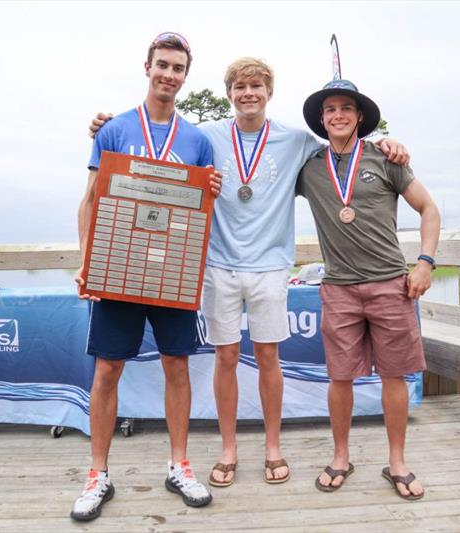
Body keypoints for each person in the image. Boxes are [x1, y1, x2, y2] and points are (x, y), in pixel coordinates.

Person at [89, 58, 410, 488]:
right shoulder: (206, 137)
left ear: (269, 92)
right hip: (218, 264)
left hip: (271, 266)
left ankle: (272, 447)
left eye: (256, 86)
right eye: (240, 87)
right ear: (229, 94)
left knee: (268, 357)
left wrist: (388, 141)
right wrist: (105, 126)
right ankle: (228, 448)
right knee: (223, 357)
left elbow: (344, 143)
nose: (248, 94)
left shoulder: (297, 141)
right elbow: (161, 146)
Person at [71, 32, 222, 522]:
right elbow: (91, 200)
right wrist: (86, 260)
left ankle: (179, 465)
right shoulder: (113, 129)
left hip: (172, 274)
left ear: (184, 76)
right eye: (163, 65)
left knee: (177, 366)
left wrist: (212, 190)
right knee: (107, 370)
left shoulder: (197, 140)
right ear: (147, 67)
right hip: (119, 269)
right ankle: (98, 474)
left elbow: (201, 211)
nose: (169, 75)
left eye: (178, 68)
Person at [296, 79, 440, 499]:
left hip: (391, 285)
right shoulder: (309, 166)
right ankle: (341, 456)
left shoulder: (386, 157)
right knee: (339, 377)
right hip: (338, 287)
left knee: (394, 375)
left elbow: (428, 209)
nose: (337, 115)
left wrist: (426, 263)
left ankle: (397, 461)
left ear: (360, 116)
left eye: (345, 108)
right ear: (321, 121)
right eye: (329, 110)